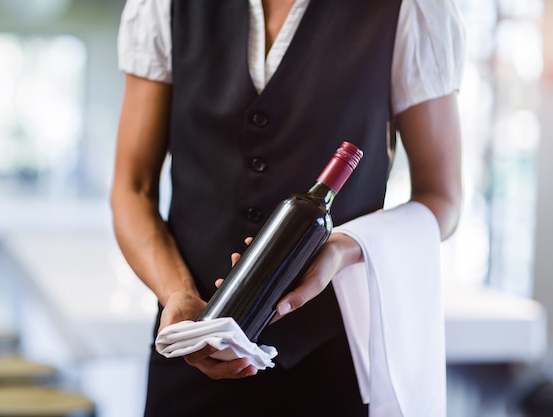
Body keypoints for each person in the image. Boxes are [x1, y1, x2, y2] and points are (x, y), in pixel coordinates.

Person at [110, 0, 465, 416]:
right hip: (189, 352)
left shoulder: (412, 8)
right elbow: (132, 188)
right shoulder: (165, 6)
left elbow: (443, 200)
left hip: (331, 359)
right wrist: (178, 293)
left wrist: (343, 248)